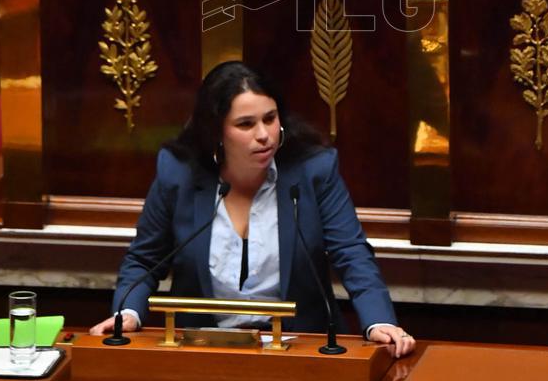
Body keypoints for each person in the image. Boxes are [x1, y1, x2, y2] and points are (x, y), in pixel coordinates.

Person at [90, 61, 415, 357]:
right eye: (246, 124)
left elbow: (351, 252)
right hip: (201, 349)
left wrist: (378, 321)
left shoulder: (314, 170)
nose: (264, 135)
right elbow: (145, 259)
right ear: (216, 131)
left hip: (300, 348)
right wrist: (127, 314)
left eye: (270, 119)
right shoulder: (179, 173)